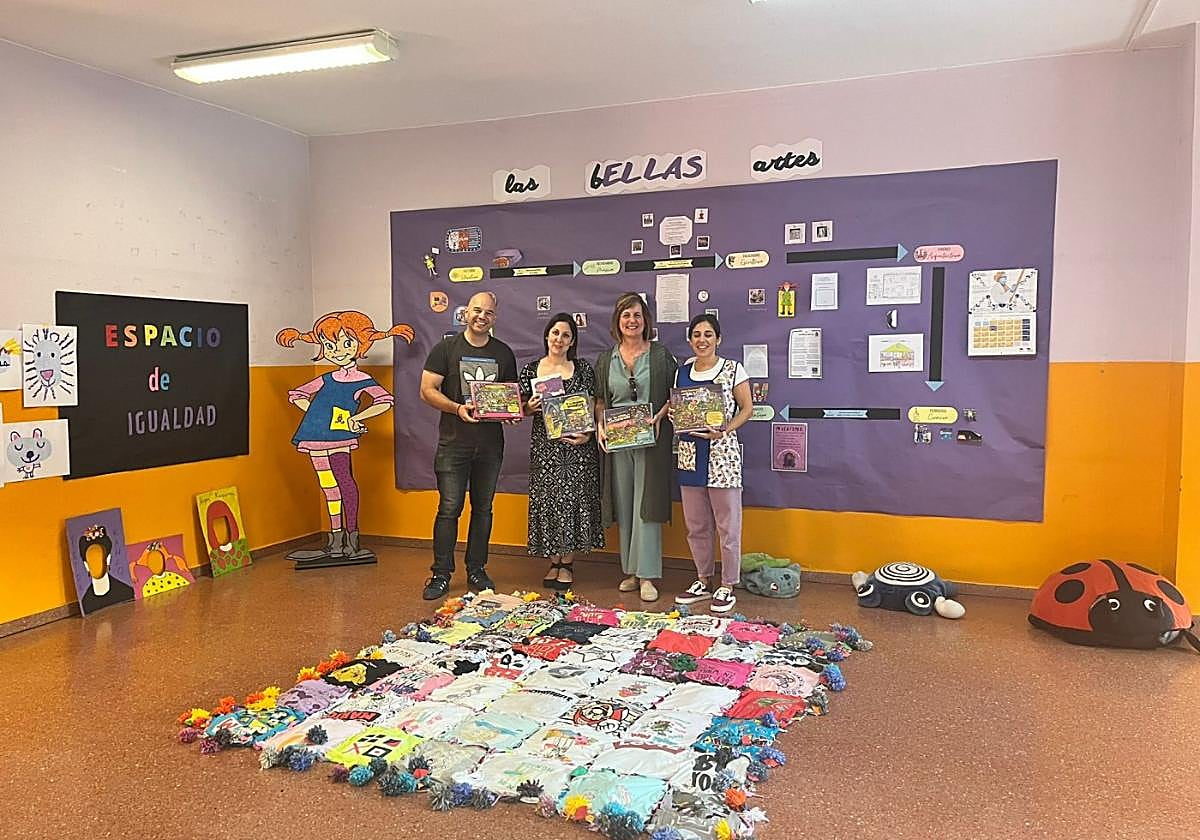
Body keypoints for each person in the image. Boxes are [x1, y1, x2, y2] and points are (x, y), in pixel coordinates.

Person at [277, 310, 414, 562]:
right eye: (330, 346)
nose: (337, 351)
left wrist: (356, 418)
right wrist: (317, 415)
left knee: (345, 482)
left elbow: (384, 401)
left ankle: (351, 539)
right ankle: (335, 541)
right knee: (328, 487)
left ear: (360, 344)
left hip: (339, 438)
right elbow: (297, 395)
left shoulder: (362, 380)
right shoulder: (326, 378)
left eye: (346, 343)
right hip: (314, 436)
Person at [420, 291, 517, 600]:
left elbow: (509, 396)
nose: (481, 316)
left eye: (488, 312)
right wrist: (457, 408)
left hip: (490, 446)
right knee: (449, 509)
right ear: (466, 313)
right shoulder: (445, 348)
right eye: (477, 310)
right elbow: (427, 389)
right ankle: (440, 574)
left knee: (483, 509)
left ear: (495, 317)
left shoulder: (504, 353)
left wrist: (510, 412)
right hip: (453, 445)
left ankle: (477, 569)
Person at [595, 292, 677, 602]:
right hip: (618, 442)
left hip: (651, 441)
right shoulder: (606, 359)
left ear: (646, 321)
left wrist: (661, 415)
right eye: (626, 315)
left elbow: (675, 395)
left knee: (647, 505)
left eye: (637, 315)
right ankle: (630, 570)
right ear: (618, 321)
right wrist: (600, 425)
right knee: (625, 503)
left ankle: (647, 575)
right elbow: (600, 400)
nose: (632, 320)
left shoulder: (660, 355)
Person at [670, 314, 753, 613]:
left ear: (718, 339)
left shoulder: (733, 369)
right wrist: (673, 414)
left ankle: (728, 584)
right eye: (696, 334)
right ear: (690, 339)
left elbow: (747, 408)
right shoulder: (682, 372)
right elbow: (677, 406)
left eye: (708, 334)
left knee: (728, 525)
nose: (702, 340)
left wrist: (725, 429)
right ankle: (703, 579)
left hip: (722, 455)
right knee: (696, 525)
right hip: (690, 454)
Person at [520, 314, 604, 591]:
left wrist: (589, 433)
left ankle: (567, 564)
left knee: (573, 502)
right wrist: (529, 407)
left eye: (566, 335)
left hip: (578, 450)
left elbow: (593, 405)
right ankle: (554, 561)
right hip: (545, 450)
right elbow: (519, 409)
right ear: (547, 336)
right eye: (555, 333)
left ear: (572, 341)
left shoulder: (583, 369)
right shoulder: (531, 370)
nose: (559, 339)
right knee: (549, 502)